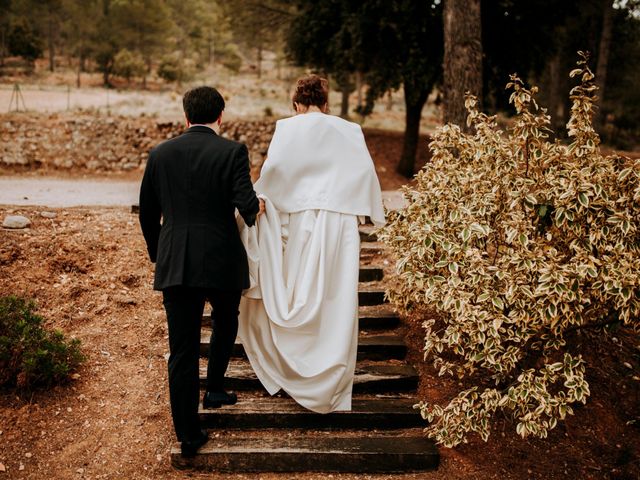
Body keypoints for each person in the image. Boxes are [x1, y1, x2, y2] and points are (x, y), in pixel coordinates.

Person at [237, 74, 385, 413]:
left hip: (300, 220)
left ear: (297, 103)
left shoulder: (288, 128)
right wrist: (367, 212)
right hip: (339, 222)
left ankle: (295, 363)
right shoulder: (349, 130)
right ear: (325, 100)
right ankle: (329, 375)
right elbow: (365, 174)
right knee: (335, 296)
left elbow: (273, 176)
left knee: (296, 286)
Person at [138, 86, 264, 457]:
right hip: (221, 258)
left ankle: (188, 434)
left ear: (185, 116)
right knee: (226, 320)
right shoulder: (232, 152)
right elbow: (248, 205)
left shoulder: (160, 154)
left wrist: (159, 253)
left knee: (182, 349)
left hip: (176, 260)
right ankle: (214, 389)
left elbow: (147, 213)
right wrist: (260, 205)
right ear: (220, 116)